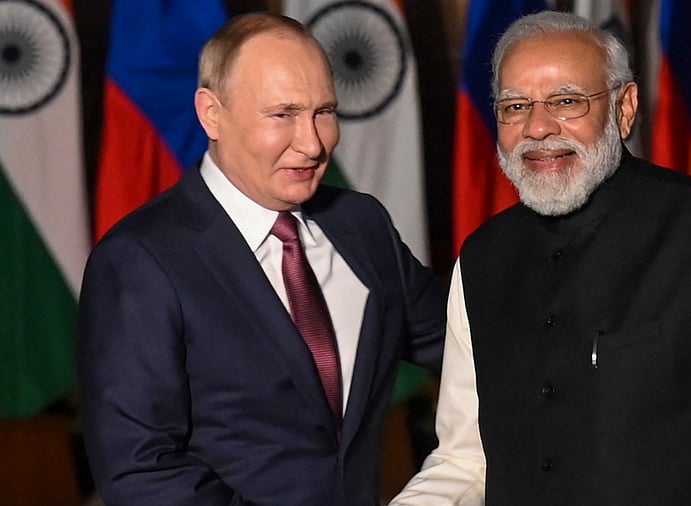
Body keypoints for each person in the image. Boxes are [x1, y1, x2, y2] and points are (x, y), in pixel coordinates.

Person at [391, 10, 691, 506]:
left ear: (624, 109)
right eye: (514, 106)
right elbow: (466, 460)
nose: (537, 127)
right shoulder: (481, 260)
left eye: (566, 101)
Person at [78, 13, 445, 506]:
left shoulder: (362, 226)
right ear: (211, 114)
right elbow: (141, 469)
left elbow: (465, 338)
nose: (313, 144)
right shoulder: (139, 260)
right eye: (283, 115)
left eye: (324, 112)